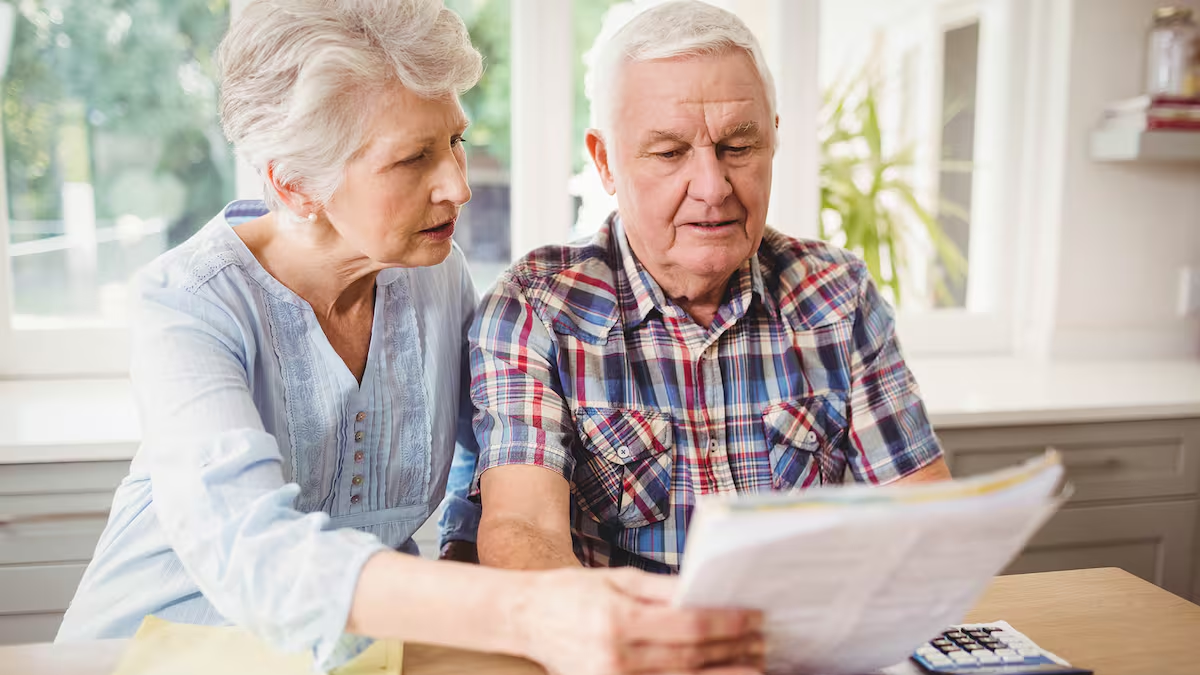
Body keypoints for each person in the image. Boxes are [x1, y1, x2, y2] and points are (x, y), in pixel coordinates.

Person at [55, 2, 764, 673]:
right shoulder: (187, 305)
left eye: (453, 140)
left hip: (356, 659)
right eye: (411, 159)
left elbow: (483, 449)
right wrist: (532, 607)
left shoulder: (432, 273)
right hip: (149, 652)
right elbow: (253, 552)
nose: (457, 185)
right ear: (297, 184)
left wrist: (466, 557)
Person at [464, 0, 952, 573]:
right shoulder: (535, 311)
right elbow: (523, 533)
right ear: (605, 163)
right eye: (670, 152)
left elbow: (924, 516)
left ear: (773, 140)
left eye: (738, 148)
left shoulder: (838, 296)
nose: (713, 187)